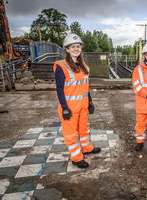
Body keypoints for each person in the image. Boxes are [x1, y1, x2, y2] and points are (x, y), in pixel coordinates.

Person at [53, 33, 101, 168]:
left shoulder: (83, 66)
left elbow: (85, 86)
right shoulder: (61, 66)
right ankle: (76, 157)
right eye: (73, 46)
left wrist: (90, 101)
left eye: (78, 46)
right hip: (70, 107)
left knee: (83, 129)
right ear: (67, 49)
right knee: (71, 133)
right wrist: (64, 107)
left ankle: (87, 148)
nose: (76, 49)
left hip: (83, 105)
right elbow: (59, 88)